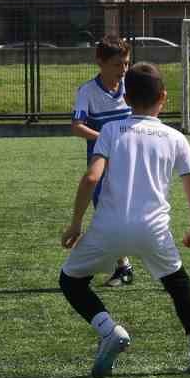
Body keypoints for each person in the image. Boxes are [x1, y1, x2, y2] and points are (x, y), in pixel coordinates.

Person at [59, 63, 190, 378]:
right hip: (152, 230)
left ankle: (109, 329)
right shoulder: (175, 138)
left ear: (126, 98)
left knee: (71, 281)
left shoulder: (111, 131)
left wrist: (75, 223)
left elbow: (91, 178)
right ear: (164, 98)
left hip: (108, 228)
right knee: (179, 285)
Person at [70, 35, 135, 287]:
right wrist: (107, 138)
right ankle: (122, 265)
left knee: (131, 213)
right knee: (108, 215)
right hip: (101, 165)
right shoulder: (87, 91)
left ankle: (125, 265)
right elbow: (77, 127)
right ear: (101, 62)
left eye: (126, 64)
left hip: (130, 162)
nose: (123, 70)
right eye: (118, 65)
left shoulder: (130, 87)